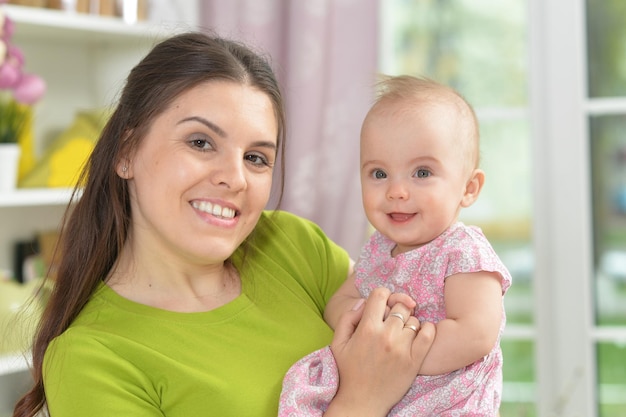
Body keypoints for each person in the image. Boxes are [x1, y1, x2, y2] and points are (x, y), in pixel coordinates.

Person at [12, 33, 437, 417]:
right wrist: (361, 403)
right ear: (126, 152)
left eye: (256, 157)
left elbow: (421, 337)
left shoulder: (294, 245)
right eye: (201, 142)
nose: (234, 179)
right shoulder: (91, 358)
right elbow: (379, 377)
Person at [279, 75, 512, 416]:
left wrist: (401, 357)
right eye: (378, 174)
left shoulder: (462, 250)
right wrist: (361, 326)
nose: (396, 191)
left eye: (421, 173)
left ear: (469, 188)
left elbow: (476, 334)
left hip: (444, 398)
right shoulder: (378, 248)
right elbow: (340, 301)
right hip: (374, 387)